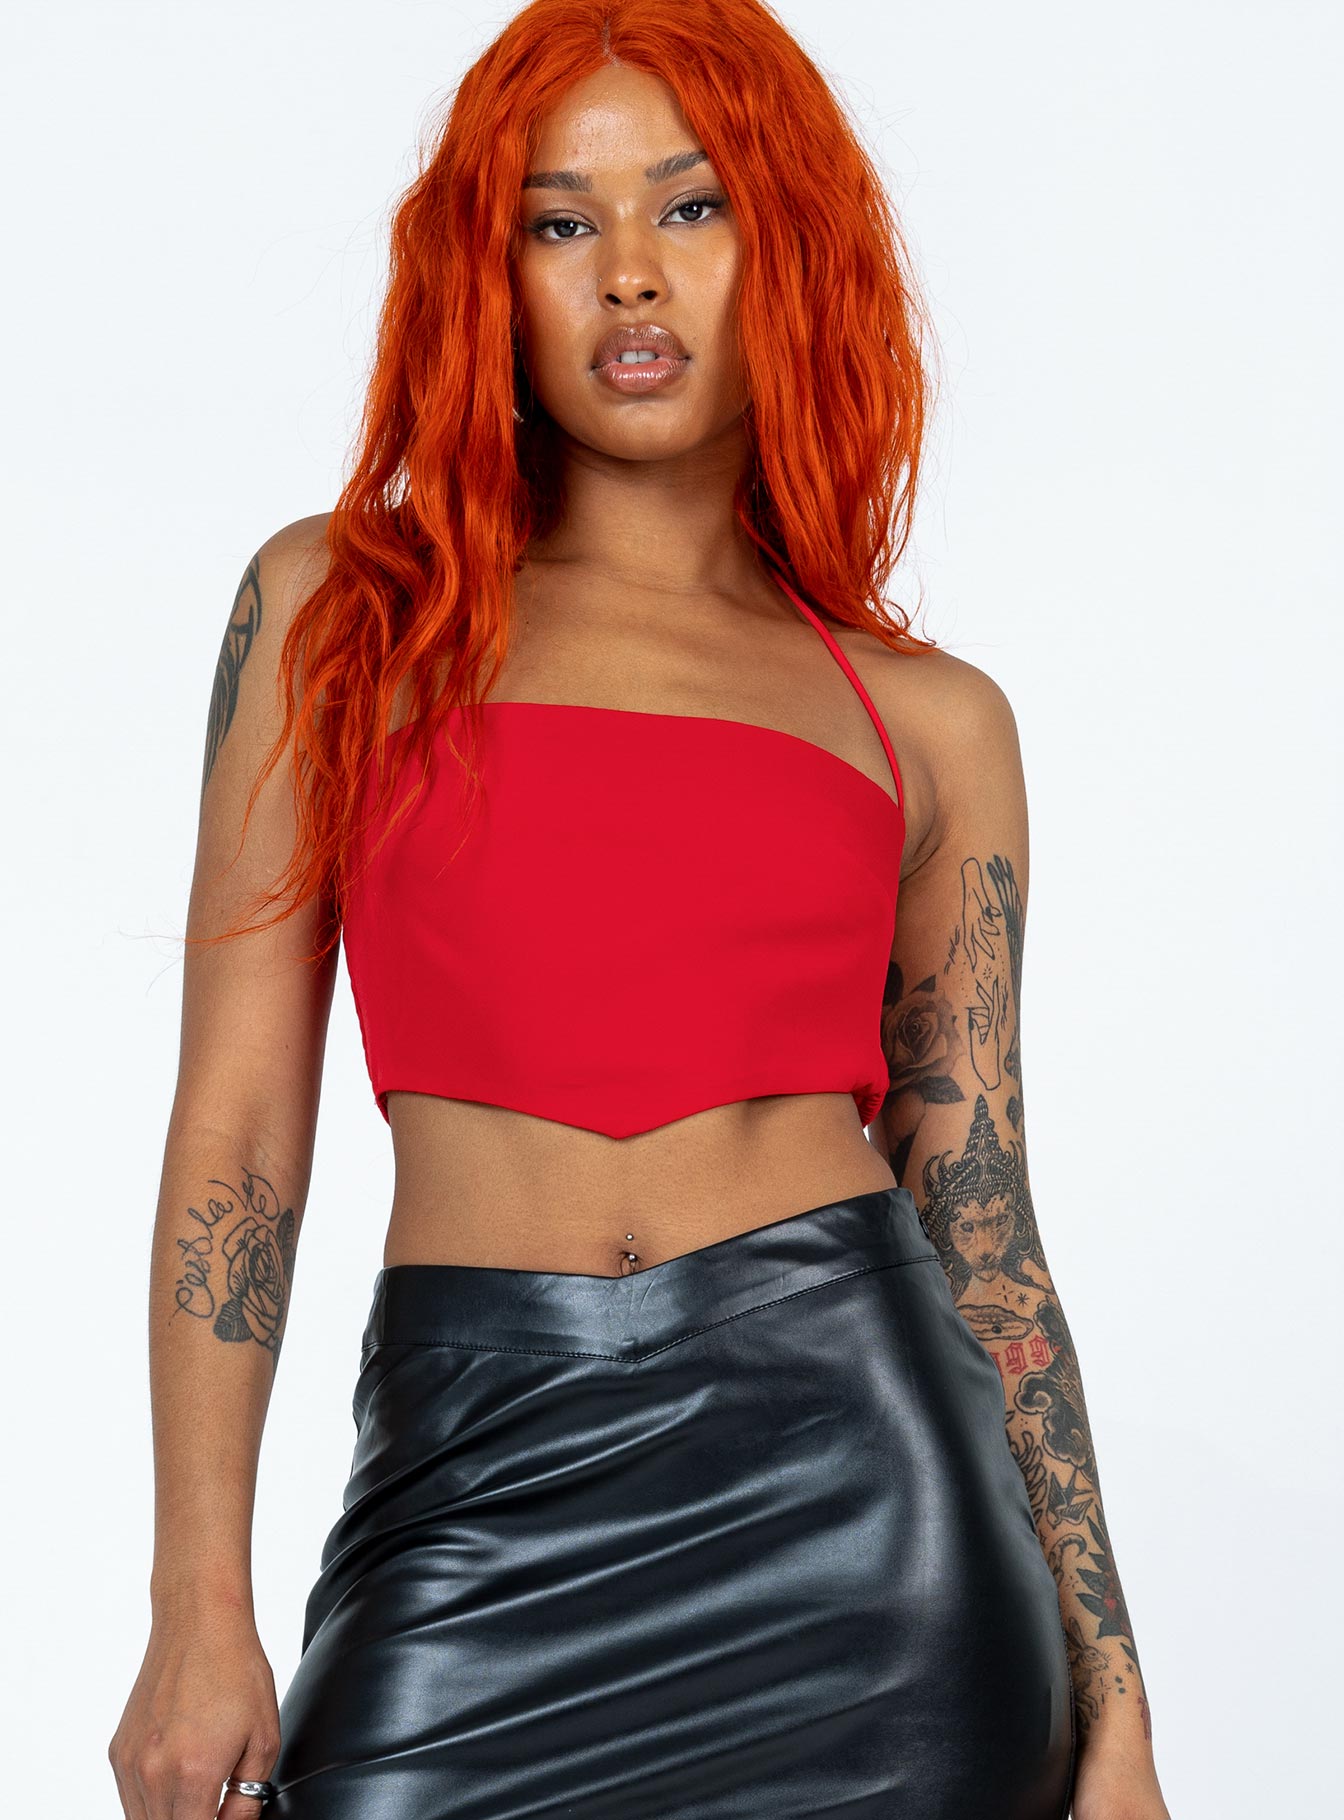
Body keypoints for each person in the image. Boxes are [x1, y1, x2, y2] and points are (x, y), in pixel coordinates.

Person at [109, 3, 1172, 1817]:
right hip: (470, 1465)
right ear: (489, 275)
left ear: (789, 249)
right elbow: (237, 1132)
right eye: (558, 219)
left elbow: (983, 1217)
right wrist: (196, 1601)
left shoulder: (924, 720)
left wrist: (1116, 1706)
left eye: (690, 207)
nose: (627, 274)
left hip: (867, 1520)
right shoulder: (338, 613)